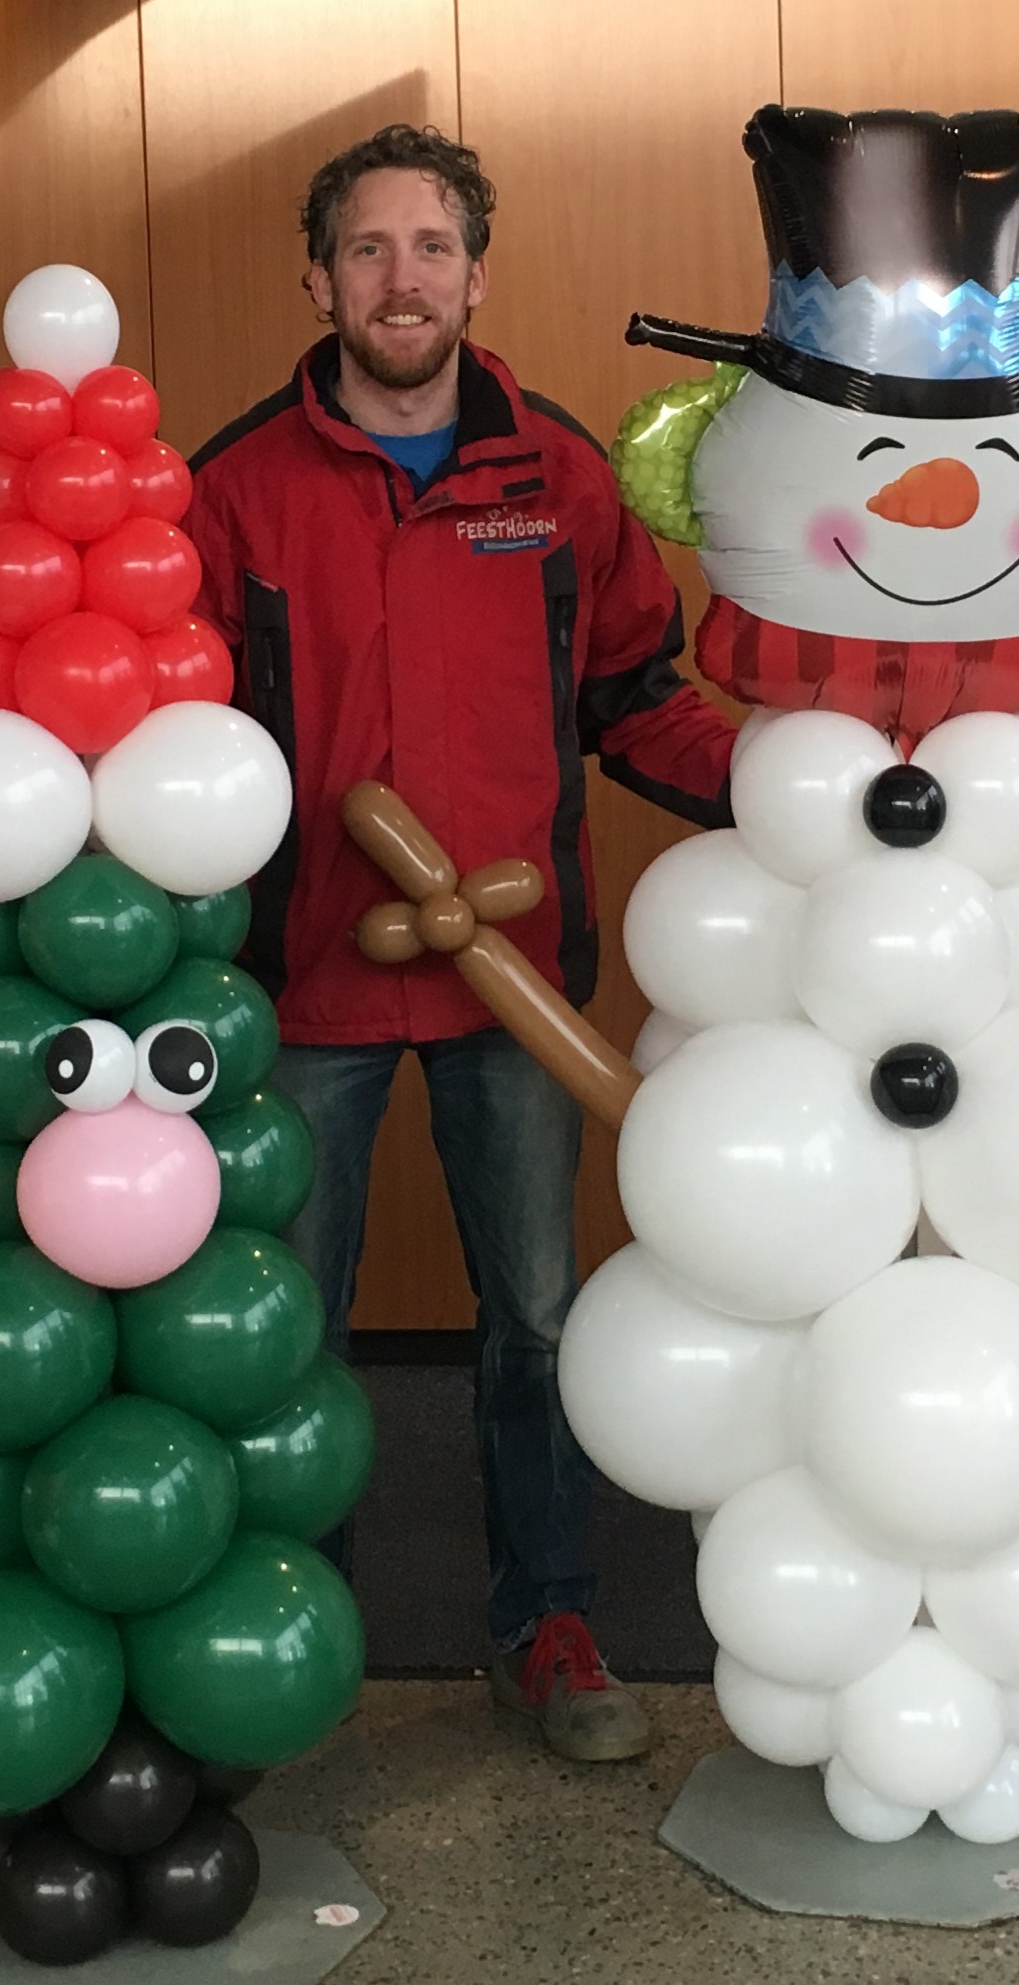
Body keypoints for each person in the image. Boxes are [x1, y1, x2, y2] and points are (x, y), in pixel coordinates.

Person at [183, 124, 737, 1765]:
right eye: (366, 248)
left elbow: (637, 700)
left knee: (540, 1323)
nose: (400, 277)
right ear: (318, 281)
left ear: (476, 275)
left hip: (515, 991)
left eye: (430, 246)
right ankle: (289, 1640)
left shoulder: (557, 475)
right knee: (290, 1337)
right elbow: (159, 729)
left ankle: (544, 1625)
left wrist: (801, 794)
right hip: (307, 992)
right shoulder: (231, 489)